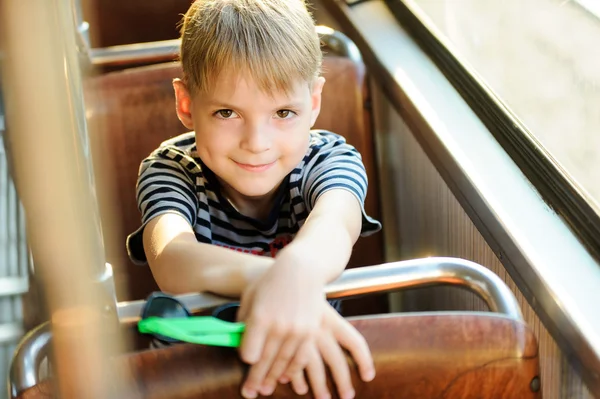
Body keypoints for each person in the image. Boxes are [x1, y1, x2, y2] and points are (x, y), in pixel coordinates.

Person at [126, 0, 382, 397]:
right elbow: (172, 258)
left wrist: (297, 267)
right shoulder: (171, 169)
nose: (256, 144)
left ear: (313, 102)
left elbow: (335, 225)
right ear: (187, 105)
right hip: (194, 378)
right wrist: (280, 280)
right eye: (227, 113)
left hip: (305, 374)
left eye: (282, 112)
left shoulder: (330, 159)